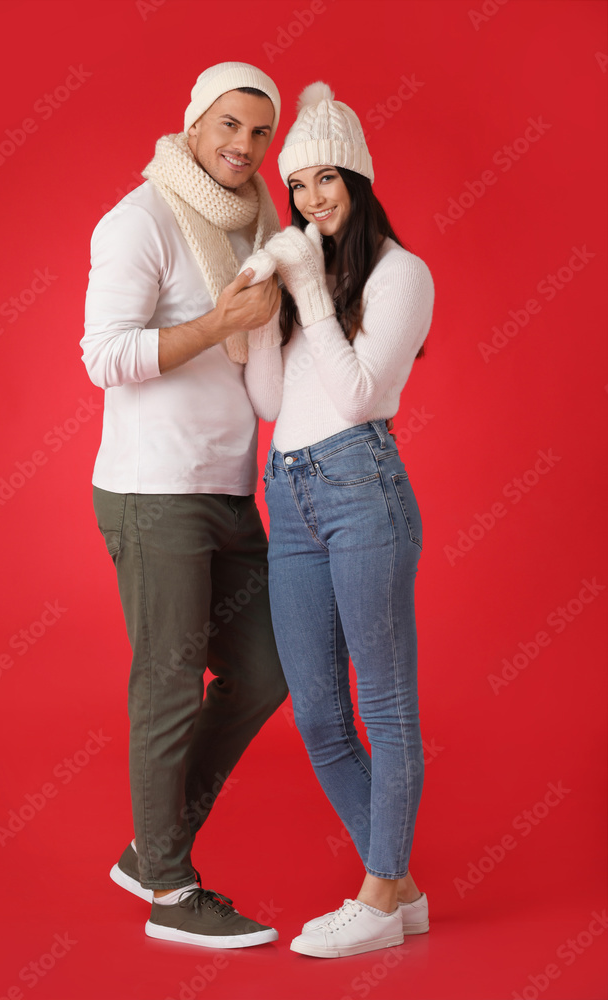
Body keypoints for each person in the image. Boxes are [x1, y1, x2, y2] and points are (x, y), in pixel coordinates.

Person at [80, 61, 289, 950]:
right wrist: (219, 322)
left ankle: (148, 846)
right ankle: (168, 886)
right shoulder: (139, 221)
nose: (242, 146)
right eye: (228, 125)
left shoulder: (257, 230)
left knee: (270, 671)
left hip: (229, 488)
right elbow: (103, 355)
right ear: (195, 123)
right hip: (153, 492)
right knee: (167, 685)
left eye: (259, 133)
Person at [241, 83, 435, 959]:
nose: (313, 200)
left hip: (363, 491)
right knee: (317, 714)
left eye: (328, 180)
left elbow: (358, 396)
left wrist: (311, 289)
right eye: (300, 187)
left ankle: (377, 893)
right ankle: (398, 886)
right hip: (288, 492)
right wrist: (254, 303)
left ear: (356, 177)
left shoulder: (401, 273)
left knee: (385, 706)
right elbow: (272, 400)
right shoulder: (299, 275)